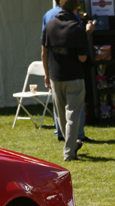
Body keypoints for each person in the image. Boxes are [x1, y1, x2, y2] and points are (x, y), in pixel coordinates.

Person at [42, 0, 92, 161]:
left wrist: (46, 74)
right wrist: (87, 34)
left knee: (61, 116)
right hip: (74, 77)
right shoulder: (77, 28)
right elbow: (82, 58)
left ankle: (72, 145)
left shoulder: (50, 25)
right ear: (76, 8)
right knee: (73, 116)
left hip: (56, 76)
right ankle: (69, 152)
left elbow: (44, 53)